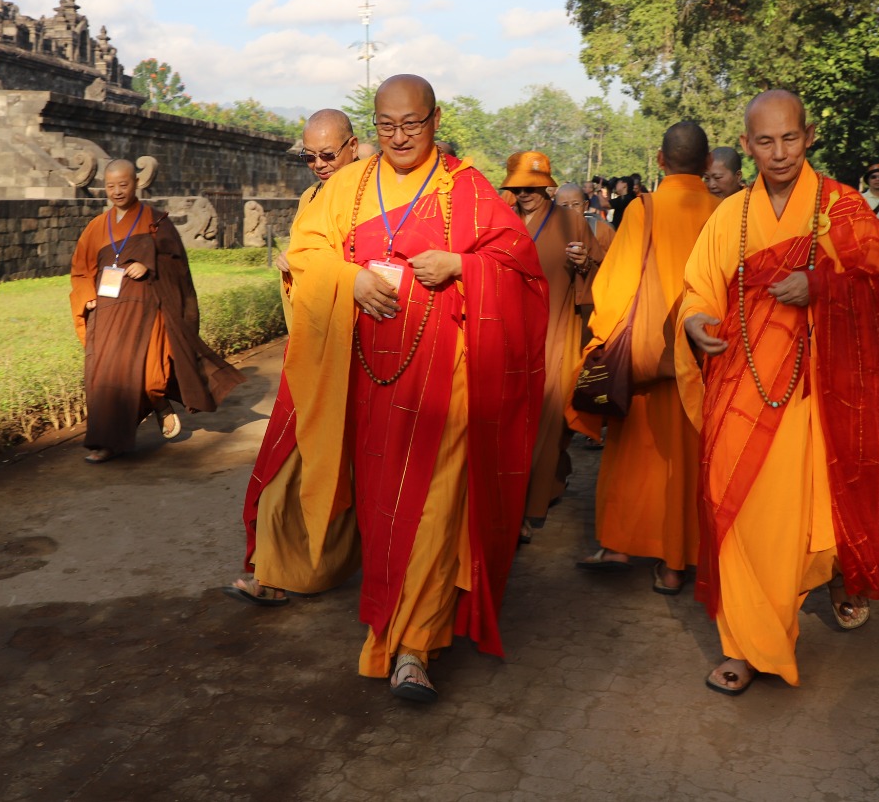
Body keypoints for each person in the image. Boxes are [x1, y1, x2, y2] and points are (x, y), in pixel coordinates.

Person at [233, 74, 548, 702]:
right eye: (387, 125)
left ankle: (412, 648)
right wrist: (348, 279)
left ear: (436, 120)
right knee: (382, 511)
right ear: (373, 126)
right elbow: (306, 251)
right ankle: (376, 618)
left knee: (432, 512)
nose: (400, 136)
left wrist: (464, 265)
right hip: (369, 378)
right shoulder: (347, 186)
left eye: (413, 123)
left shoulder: (466, 189)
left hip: (445, 383)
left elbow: (519, 264)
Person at [679, 90, 879, 696]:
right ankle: (741, 640)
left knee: (785, 520)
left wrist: (820, 285)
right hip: (740, 385)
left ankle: (764, 641)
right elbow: (699, 288)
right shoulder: (729, 214)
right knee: (729, 509)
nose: (779, 152)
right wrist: (691, 322)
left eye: (789, 138)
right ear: (748, 142)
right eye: (764, 141)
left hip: (813, 395)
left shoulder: (840, 208)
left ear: (808, 136)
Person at [570, 122, 719, 596]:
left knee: (634, 454)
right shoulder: (724, 211)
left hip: (645, 357)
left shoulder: (643, 208)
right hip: (705, 355)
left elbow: (613, 288)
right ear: (709, 163)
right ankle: (675, 565)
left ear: (660, 160)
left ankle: (618, 545)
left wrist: (602, 341)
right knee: (691, 462)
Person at [69, 159, 245, 464]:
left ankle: (158, 400)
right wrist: (87, 297)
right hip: (108, 312)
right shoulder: (96, 227)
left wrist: (149, 264)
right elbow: (80, 270)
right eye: (110, 186)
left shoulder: (155, 220)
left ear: (137, 183)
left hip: (148, 310)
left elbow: (177, 264)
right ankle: (105, 442)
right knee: (106, 378)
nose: (117, 191)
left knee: (152, 376)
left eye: (123, 184)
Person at [505, 154, 596, 543]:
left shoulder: (570, 221)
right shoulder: (502, 221)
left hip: (554, 334)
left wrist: (585, 262)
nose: (525, 194)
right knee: (510, 425)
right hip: (508, 337)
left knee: (544, 424)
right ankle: (526, 497)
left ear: (547, 185)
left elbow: (602, 271)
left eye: (532, 186)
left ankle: (529, 508)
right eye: (518, 187)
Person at [279, 109, 358, 331]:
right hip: (314, 320)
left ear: (353, 146)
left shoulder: (373, 192)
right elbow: (301, 249)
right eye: (309, 157)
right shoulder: (310, 196)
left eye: (328, 155)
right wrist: (288, 260)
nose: (319, 165)